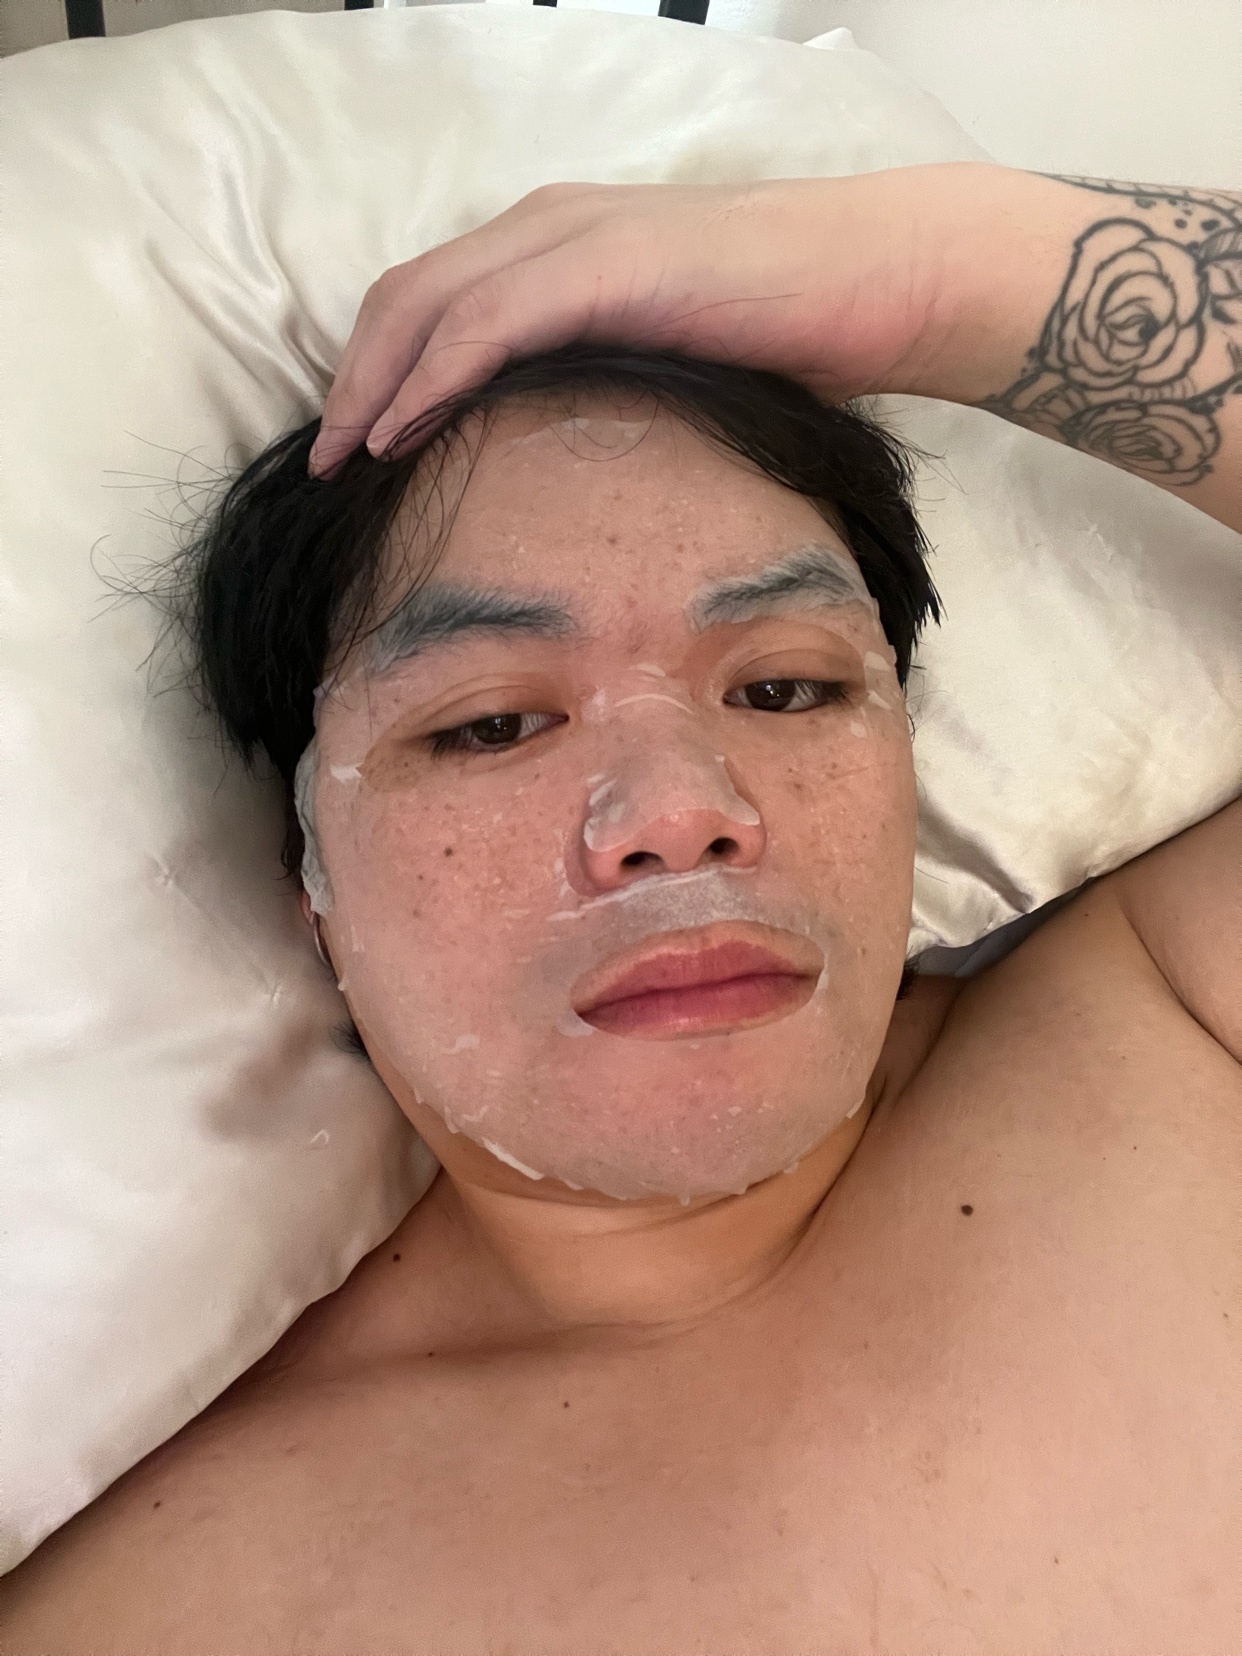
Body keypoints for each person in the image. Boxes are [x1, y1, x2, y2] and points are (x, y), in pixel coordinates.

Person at [1, 161, 1237, 1654]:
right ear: (310, 880)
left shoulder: (1182, 1016)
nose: (678, 811)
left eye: (787, 688)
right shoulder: (168, 1601)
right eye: (490, 725)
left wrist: (946, 274)